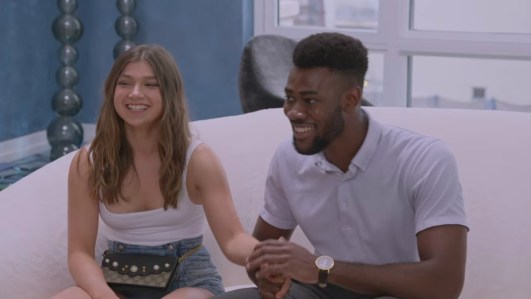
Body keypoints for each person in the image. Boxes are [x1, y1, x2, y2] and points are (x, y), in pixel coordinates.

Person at [214, 32, 468, 299]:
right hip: (319, 291)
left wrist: (322, 269)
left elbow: (444, 284)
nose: (294, 111)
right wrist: (269, 276)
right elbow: (262, 255)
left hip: (396, 293)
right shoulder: (289, 157)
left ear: (351, 99)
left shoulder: (425, 159)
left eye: (310, 100)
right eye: (290, 98)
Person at [51, 44, 257, 299]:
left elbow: (233, 239)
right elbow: (79, 252)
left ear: (170, 93)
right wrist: (105, 296)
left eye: (151, 85)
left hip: (188, 281)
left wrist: (272, 257)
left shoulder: (198, 160)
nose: (135, 93)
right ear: (112, 90)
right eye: (125, 83)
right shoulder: (90, 161)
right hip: (118, 278)